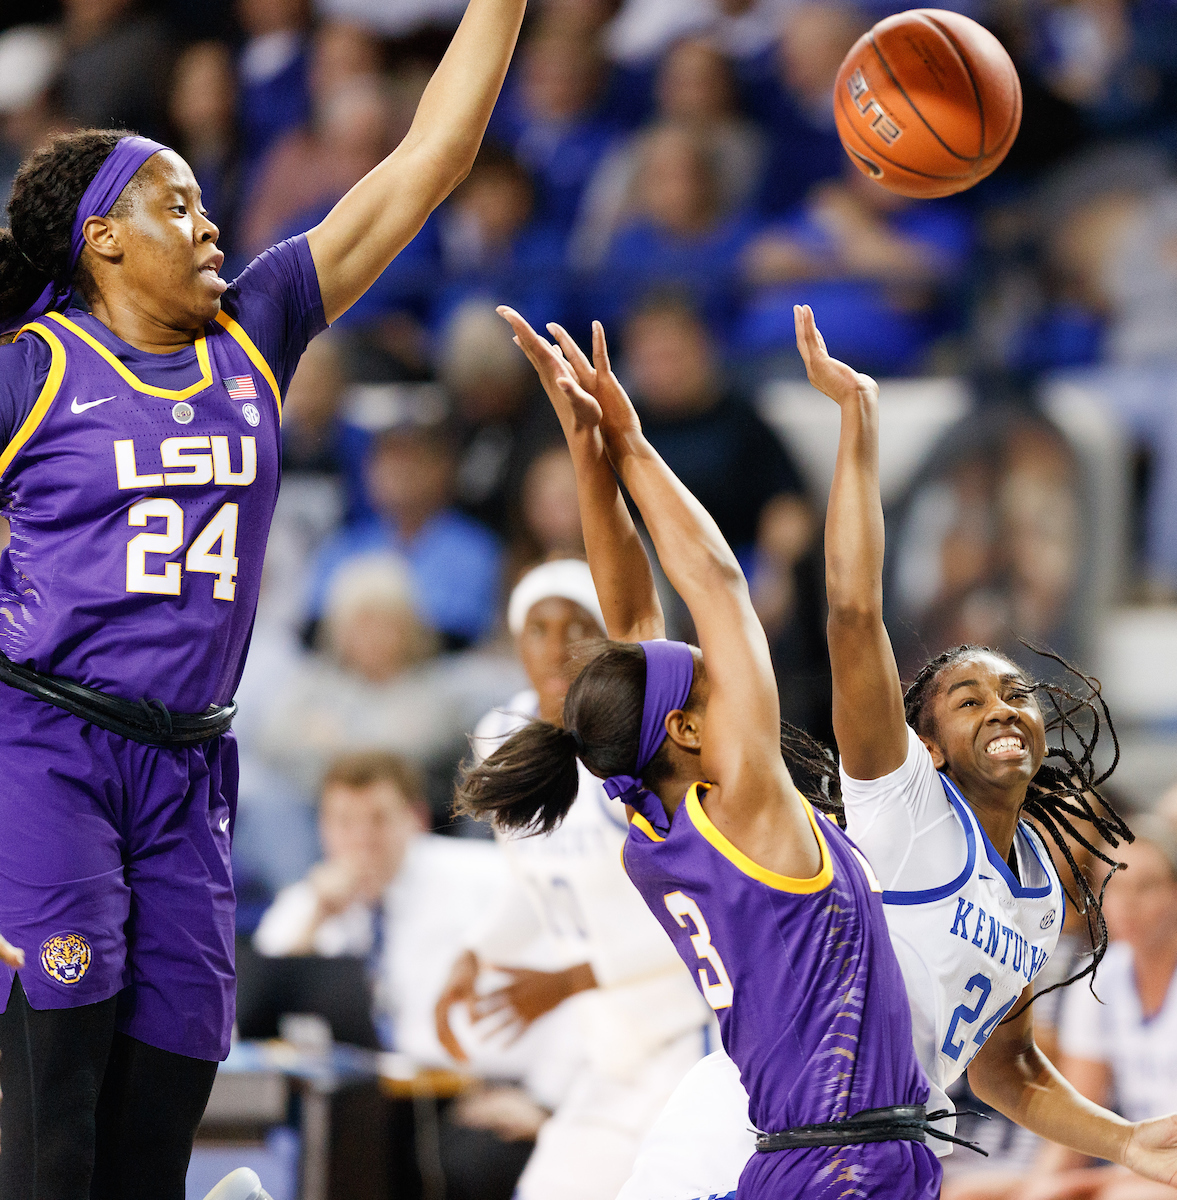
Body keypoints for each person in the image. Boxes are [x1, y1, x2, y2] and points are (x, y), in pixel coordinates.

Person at [0, 0, 528, 1193]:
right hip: (49, 749)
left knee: (162, 1118)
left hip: (192, 765)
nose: (207, 223)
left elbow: (428, 161)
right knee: (53, 1115)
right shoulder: (28, 371)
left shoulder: (258, 328)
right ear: (103, 240)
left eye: (201, 200)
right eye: (174, 204)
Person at [612, 306, 1177, 1200]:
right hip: (763, 1124)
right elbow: (850, 612)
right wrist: (857, 426)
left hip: (879, 1145)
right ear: (926, 748)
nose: (1003, 707)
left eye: (1015, 694)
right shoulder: (903, 803)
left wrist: (1125, 1139)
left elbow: (1008, 1069)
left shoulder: (1035, 885)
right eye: (968, 696)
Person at [462, 306, 948, 1200]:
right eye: (706, 679)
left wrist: (585, 445)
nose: (723, 671)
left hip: (781, 1157)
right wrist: (633, 443)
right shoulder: (751, 806)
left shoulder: (645, 808)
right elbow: (717, 582)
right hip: (847, 1162)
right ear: (686, 729)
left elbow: (633, 623)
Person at [436, 559, 714, 1200]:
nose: (558, 645)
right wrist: (477, 952)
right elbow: (534, 878)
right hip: (611, 1048)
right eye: (539, 627)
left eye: (579, 625)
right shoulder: (501, 734)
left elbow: (699, 909)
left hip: (692, 1034)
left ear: (609, 642)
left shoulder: (643, 744)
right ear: (515, 639)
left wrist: (569, 980)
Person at [945, 817, 1177, 1200]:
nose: (1127, 904)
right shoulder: (1102, 978)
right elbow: (1082, 1109)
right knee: (967, 1193)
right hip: (1133, 1160)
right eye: (1112, 887)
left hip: (1151, 1168)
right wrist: (1042, 1186)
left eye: (1146, 887)